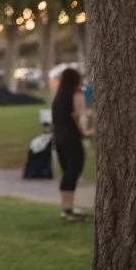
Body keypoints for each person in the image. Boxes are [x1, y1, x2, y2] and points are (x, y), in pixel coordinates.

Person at [51, 66, 92, 220]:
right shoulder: (76, 92)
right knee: (74, 171)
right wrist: (84, 131)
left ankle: (66, 208)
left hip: (59, 138)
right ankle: (68, 210)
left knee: (67, 172)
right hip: (72, 137)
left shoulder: (58, 96)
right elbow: (78, 115)